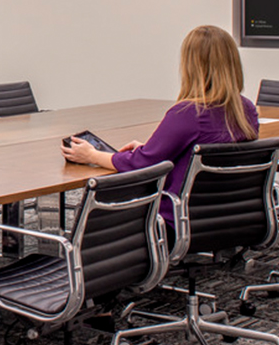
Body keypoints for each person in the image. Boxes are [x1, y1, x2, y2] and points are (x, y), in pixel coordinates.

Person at [61, 24, 259, 225]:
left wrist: (92, 155)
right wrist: (151, 150)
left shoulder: (188, 113)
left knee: (97, 212)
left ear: (191, 66)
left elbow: (144, 164)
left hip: (177, 220)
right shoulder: (246, 110)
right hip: (233, 215)